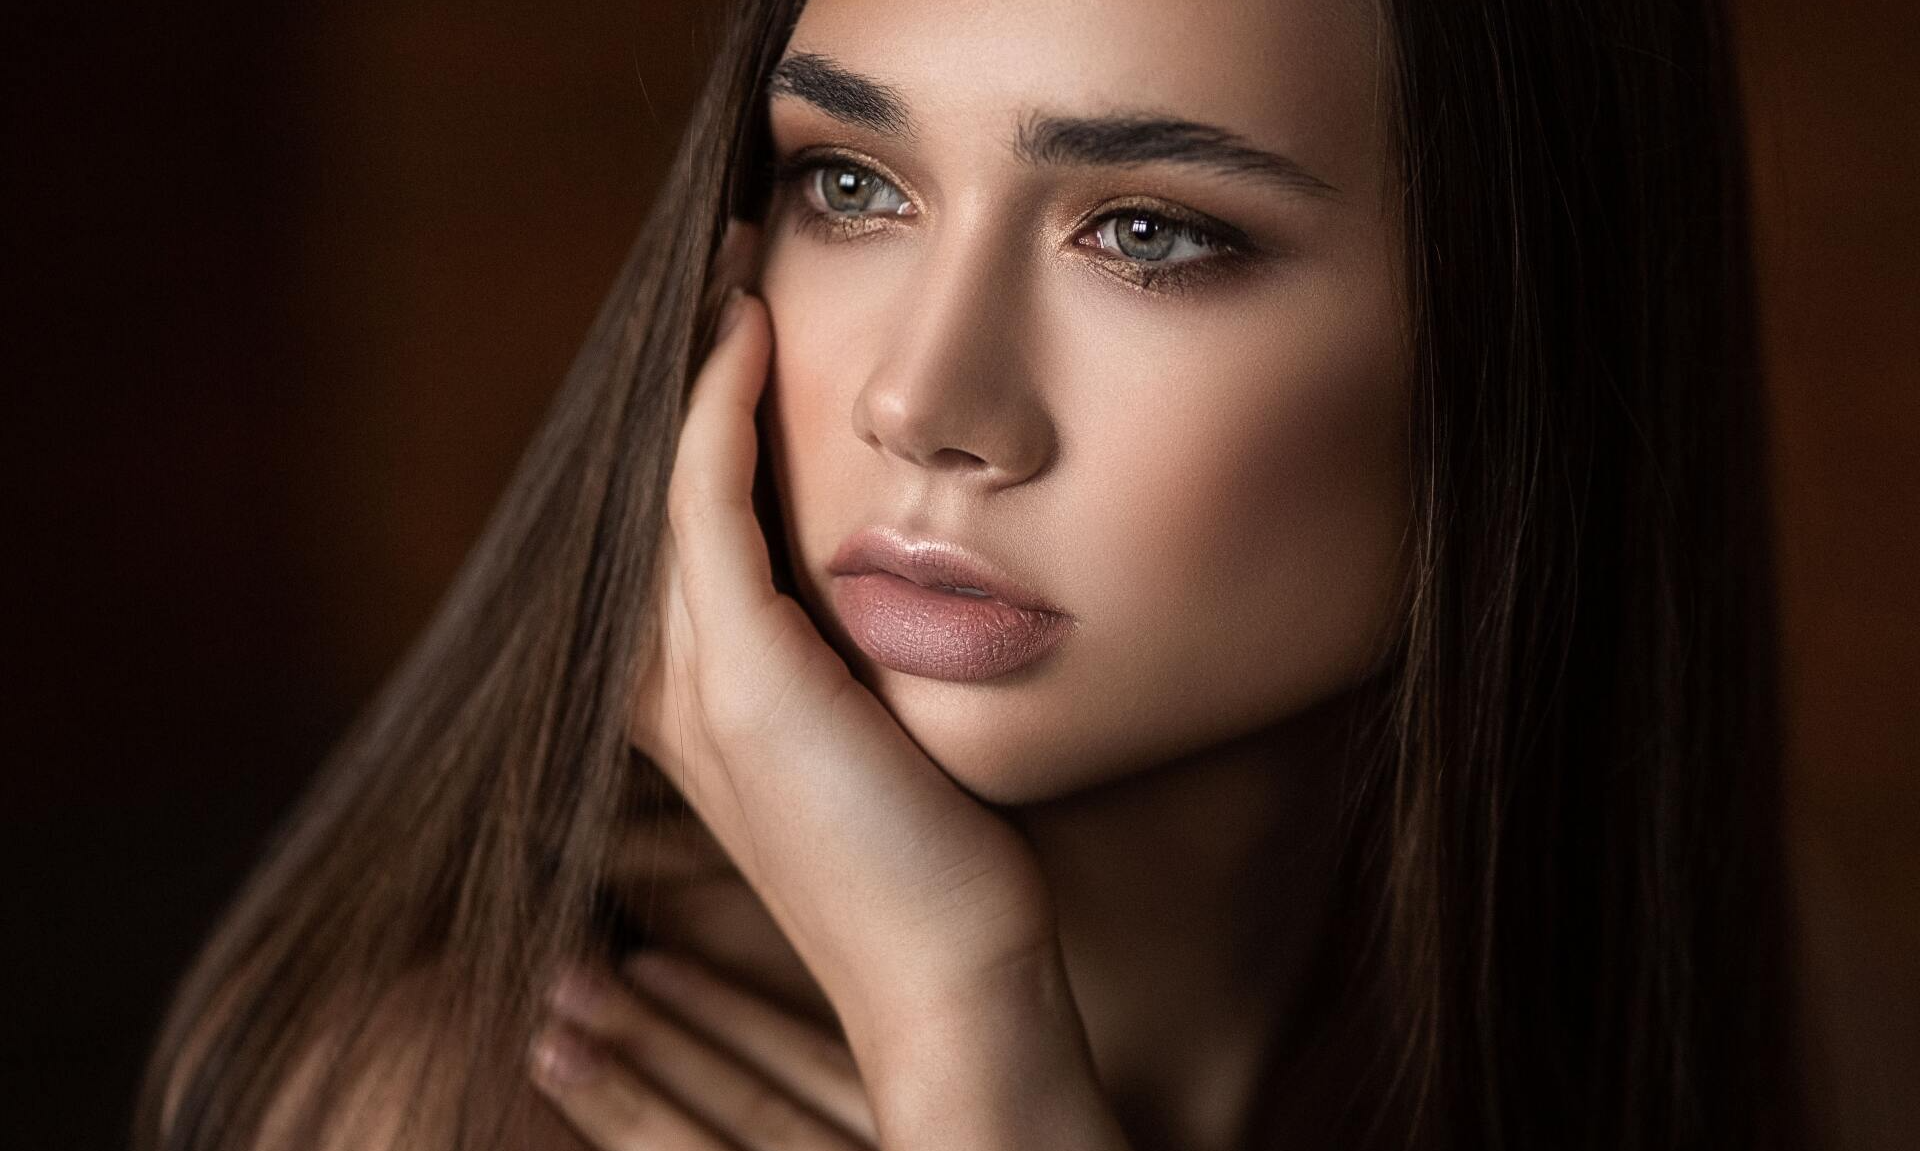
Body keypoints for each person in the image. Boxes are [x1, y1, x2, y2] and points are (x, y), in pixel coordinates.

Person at [134, 0, 1811, 1148]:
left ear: (1532, 336)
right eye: (850, 185)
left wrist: (987, 1075)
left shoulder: (1719, 1027)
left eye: (1150, 231)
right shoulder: (480, 1096)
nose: (924, 400)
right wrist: (954, 993)